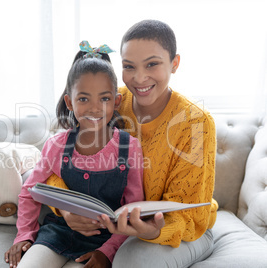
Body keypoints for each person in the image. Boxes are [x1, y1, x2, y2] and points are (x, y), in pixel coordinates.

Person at [55, 20, 218, 267]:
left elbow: (191, 216)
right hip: (117, 225)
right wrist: (66, 210)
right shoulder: (110, 101)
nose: (140, 78)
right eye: (129, 66)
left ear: (174, 64)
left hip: (187, 230)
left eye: (152, 64)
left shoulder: (196, 123)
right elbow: (54, 164)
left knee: (133, 261)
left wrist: (151, 231)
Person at [4, 41, 145, 268]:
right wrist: (24, 235)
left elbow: (133, 209)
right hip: (58, 233)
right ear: (69, 102)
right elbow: (30, 191)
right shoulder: (56, 145)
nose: (94, 108)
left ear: (116, 101)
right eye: (83, 99)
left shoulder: (130, 148)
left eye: (105, 98)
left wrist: (107, 252)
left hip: (104, 240)